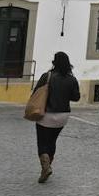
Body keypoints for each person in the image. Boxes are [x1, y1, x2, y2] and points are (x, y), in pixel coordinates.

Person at [33, 51, 80, 183]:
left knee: (42, 142)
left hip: (46, 115)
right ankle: (47, 166)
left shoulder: (47, 76)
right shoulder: (72, 79)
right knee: (52, 141)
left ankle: (45, 166)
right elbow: (76, 97)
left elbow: (36, 92)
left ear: (54, 62)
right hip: (62, 116)